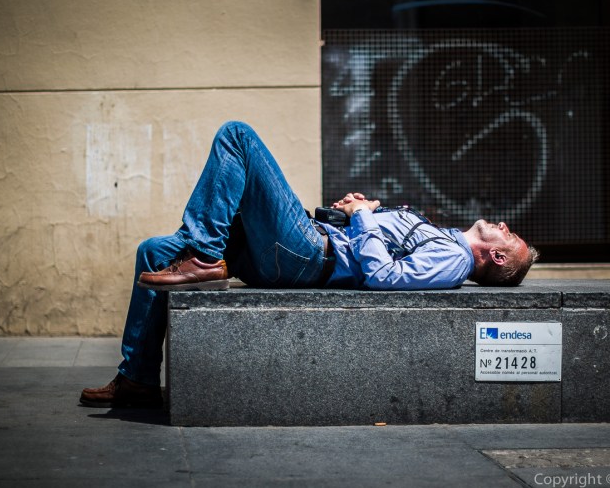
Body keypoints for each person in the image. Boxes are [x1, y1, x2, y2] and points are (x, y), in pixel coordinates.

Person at [80, 121, 538, 408]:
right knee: (153, 252)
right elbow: (375, 244)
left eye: (509, 235)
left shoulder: (454, 259)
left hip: (307, 255)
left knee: (238, 136)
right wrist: (359, 210)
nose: (503, 224)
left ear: (496, 255)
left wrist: (362, 220)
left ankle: (204, 255)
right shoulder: (444, 238)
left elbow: (382, 276)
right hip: (307, 242)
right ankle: (137, 379)